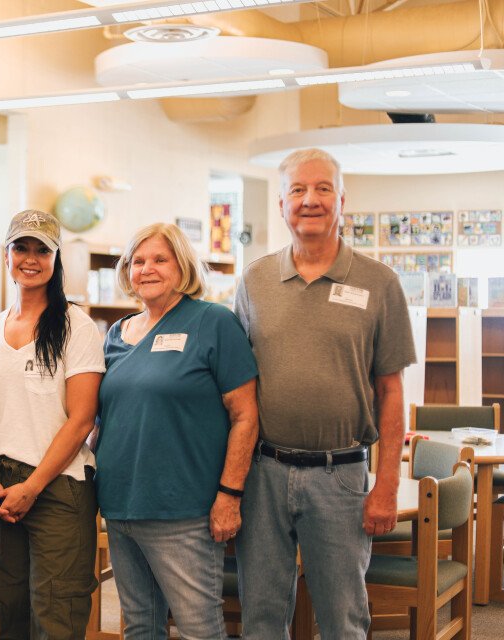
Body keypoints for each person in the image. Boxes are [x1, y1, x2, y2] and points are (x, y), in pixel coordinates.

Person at [234, 148, 416, 639]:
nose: (309, 200)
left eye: (322, 189)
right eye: (297, 189)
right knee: (262, 616)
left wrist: (388, 484)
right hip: (263, 475)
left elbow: (392, 393)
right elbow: (236, 388)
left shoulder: (380, 284)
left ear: (342, 201)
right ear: (281, 204)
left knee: (343, 619)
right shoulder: (253, 280)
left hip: (342, 477)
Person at [94, 223, 259, 640]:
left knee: (198, 628)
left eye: (159, 259)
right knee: (140, 626)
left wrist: (230, 495)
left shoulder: (213, 323)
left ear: (182, 265)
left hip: (183, 509)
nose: (146, 269)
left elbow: (246, 416)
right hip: (120, 505)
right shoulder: (117, 333)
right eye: (137, 261)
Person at [0, 209, 104, 639]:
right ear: (6, 255)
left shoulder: (75, 326)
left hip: (58, 485)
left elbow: (82, 418)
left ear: (55, 258)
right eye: (21, 247)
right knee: (8, 606)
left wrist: (33, 487)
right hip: (2, 486)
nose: (31, 258)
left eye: (41, 250)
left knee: (57, 612)